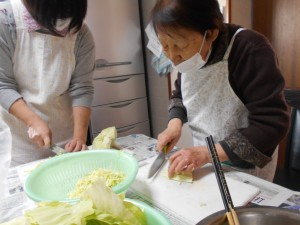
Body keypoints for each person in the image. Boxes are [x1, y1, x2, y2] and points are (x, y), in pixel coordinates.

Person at [152, 0, 290, 181]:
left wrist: (207, 153)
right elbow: (181, 94)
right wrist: (174, 125)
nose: (172, 57)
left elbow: (272, 123)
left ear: (211, 33)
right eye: (164, 45)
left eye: (181, 46)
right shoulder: (188, 56)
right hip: (203, 162)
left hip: (244, 170)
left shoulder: (250, 49)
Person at [0, 0, 95, 166]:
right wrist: (33, 121)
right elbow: (3, 85)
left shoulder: (82, 34)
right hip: (18, 144)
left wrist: (79, 137)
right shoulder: (5, 19)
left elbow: (82, 88)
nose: (62, 25)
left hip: (64, 139)